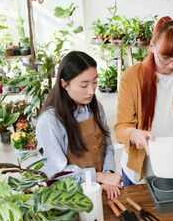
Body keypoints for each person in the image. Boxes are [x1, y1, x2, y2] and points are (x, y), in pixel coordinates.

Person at [115, 16, 173, 184]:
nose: (172, 64)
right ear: (152, 46)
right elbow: (121, 128)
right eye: (165, 57)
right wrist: (133, 133)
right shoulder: (132, 77)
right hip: (139, 170)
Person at [36, 51, 121, 199]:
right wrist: (98, 176)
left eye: (95, 82)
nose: (91, 91)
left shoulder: (95, 107)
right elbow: (58, 173)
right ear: (64, 84)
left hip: (99, 189)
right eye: (84, 85)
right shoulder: (50, 121)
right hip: (69, 197)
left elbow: (107, 144)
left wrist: (108, 173)